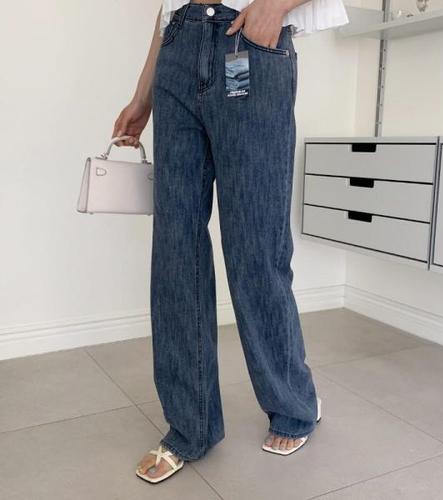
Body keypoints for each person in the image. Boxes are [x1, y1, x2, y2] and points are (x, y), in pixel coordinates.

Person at [112, 0, 348, 484]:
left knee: (256, 249)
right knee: (176, 254)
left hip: (248, 45)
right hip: (178, 50)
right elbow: (165, 10)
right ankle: (189, 426)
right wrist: (142, 96)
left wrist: (275, 6)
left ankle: (293, 404)